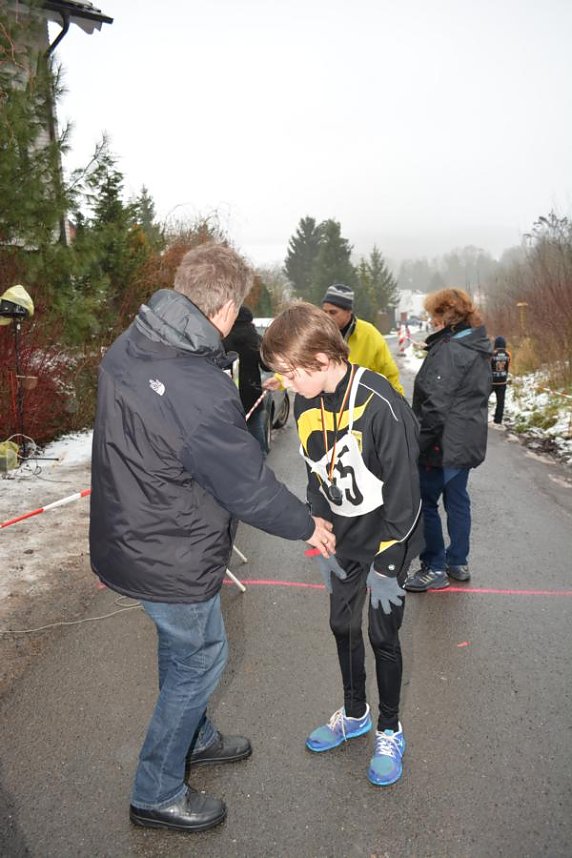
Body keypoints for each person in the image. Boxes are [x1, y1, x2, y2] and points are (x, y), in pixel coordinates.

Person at [89, 244, 336, 834]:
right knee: (202, 657)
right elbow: (248, 487)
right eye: (240, 306)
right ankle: (156, 790)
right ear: (225, 306)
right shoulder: (197, 388)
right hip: (169, 551)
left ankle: (193, 736)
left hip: (136, 535)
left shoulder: (137, 340)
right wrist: (309, 524)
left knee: (183, 649)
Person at [261, 302, 422, 787]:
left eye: (290, 373)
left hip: (389, 537)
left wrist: (389, 563)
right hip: (342, 537)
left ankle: (390, 728)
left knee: (381, 634)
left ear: (322, 359)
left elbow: (407, 496)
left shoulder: (382, 406)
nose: (285, 385)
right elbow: (316, 472)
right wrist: (317, 520)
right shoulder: (309, 402)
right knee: (341, 625)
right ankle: (356, 715)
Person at [403, 288, 492, 592]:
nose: (431, 321)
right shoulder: (478, 345)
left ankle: (434, 567)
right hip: (465, 440)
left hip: (444, 443)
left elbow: (435, 406)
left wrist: (417, 443)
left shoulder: (451, 350)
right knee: (457, 501)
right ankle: (458, 561)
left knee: (426, 503)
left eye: (434, 315)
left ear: (447, 315)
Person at [321, 283, 404, 395]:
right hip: (323, 406)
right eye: (324, 311)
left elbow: (389, 375)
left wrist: (399, 406)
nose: (327, 317)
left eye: (333, 312)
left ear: (348, 311)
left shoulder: (369, 335)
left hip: (360, 406)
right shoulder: (316, 334)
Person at [223, 305, 267, 454]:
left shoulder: (222, 339)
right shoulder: (255, 339)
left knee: (232, 438)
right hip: (253, 392)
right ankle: (260, 459)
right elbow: (267, 366)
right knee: (256, 430)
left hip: (229, 395)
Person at [490, 335, 511, 425]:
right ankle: (498, 420)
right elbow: (508, 367)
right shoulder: (508, 354)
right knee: (500, 402)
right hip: (502, 381)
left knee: (483, 400)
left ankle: (480, 418)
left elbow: (488, 367)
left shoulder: (492, 354)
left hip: (491, 382)